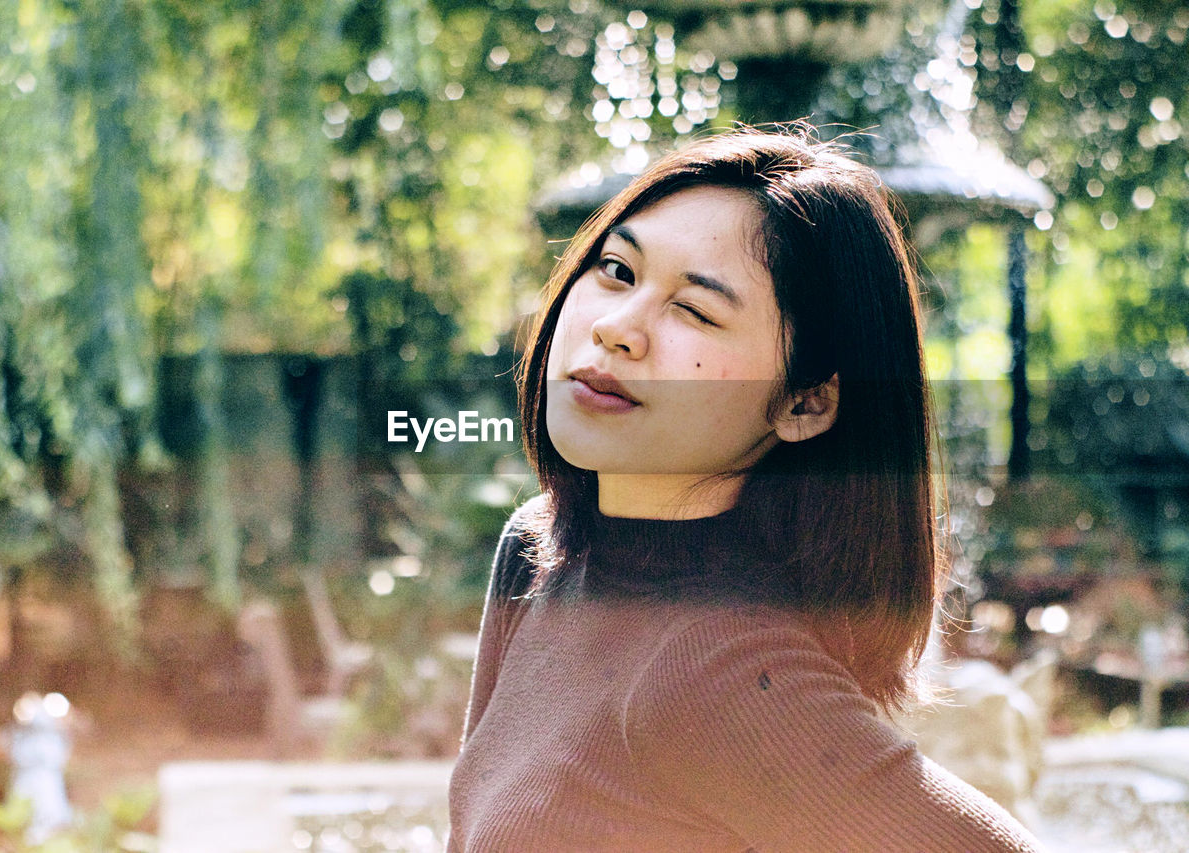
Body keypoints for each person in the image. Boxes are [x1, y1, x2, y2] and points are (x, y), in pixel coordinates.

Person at [446, 126, 1046, 852]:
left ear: (805, 403)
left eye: (694, 310)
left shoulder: (713, 663)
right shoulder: (538, 550)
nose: (616, 328)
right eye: (616, 270)